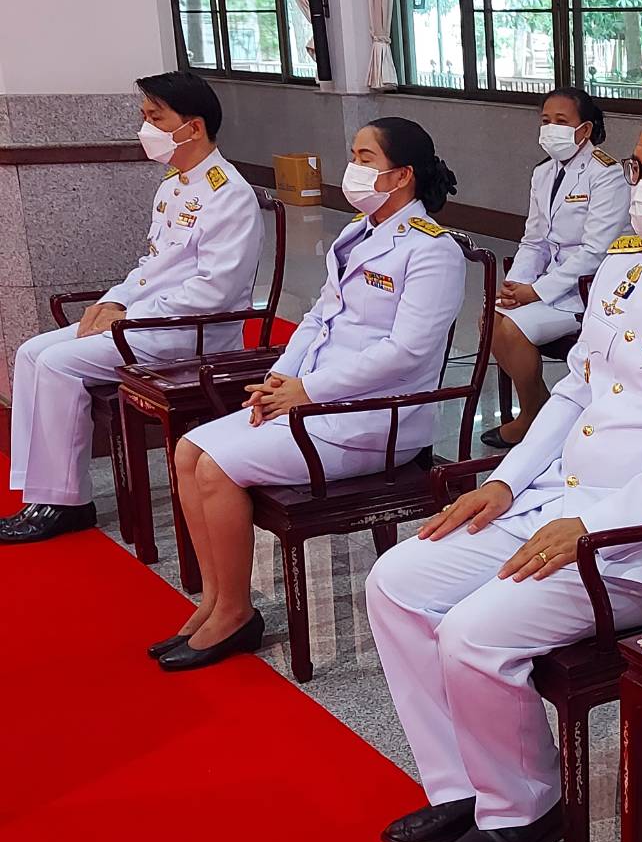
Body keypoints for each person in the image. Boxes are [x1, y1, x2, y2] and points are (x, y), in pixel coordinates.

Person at [364, 102, 642, 842]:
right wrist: (503, 483)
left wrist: (595, 526)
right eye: (639, 167)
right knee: (395, 583)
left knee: (472, 632)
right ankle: (462, 785)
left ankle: (523, 804)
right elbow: (574, 392)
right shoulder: (626, 268)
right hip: (556, 505)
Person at [150, 119, 465, 672]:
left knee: (216, 469)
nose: (353, 169)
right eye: (354, 155)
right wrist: (280, 379)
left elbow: (406, 353)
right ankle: (216, 599)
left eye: (365, 158)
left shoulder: (432, 250)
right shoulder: (358, 232)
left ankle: (236, 613)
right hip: (314, 402)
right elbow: (320, 317)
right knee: (188, 450)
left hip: (374, 420)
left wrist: (308, 390)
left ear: (403, 176)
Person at [1, 72, 262, 545]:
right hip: (151, 322)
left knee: (58, 364)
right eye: (145, 116)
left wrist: (131, 317)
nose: (145, 128)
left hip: (193, 332)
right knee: (31, 352)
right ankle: (40, 493)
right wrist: (112, 300)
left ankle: (66, 503)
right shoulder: (175, 184)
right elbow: (152, 265)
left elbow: (215, 292)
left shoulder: (230, 195)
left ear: (193, 127)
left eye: (155, 118)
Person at [483, 88, 631, 449]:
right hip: (552, 282)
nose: (551, 128)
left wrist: (537, 291)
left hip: (589, 288)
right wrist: (515, 285)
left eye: (561, 121)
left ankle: (531, 417)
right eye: (546, 120)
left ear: (585, 129)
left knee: (513, 329)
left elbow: (596, 251)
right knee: (491, 317)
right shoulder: (543, 173)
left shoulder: (606, 174)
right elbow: (534, 240)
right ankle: (543, 411)